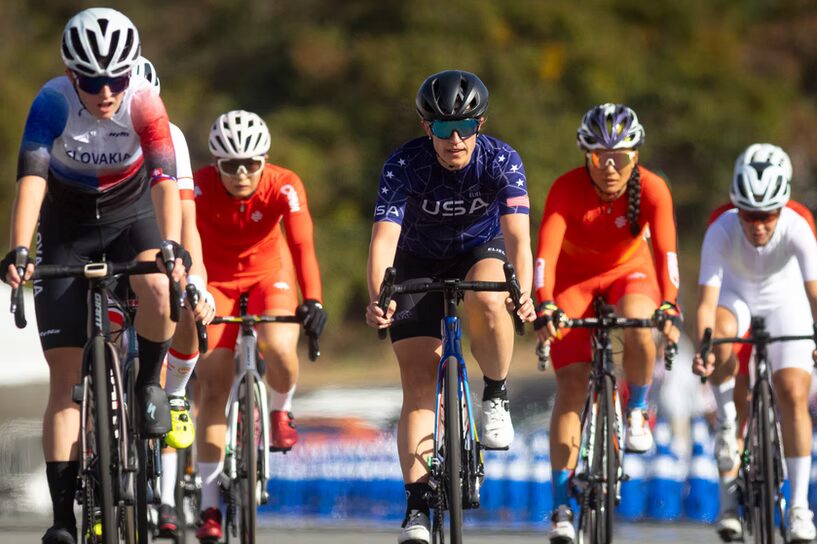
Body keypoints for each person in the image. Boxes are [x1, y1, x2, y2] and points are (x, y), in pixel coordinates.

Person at [2, 9, 188, 544]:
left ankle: (149, 381)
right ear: (70, 73)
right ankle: (62, 516)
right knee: (64, 383)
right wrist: (18, 247)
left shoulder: (145, 102)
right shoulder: (52, 101)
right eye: (91, 80)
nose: (105, 92)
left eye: (116, 79)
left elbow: (164, 179)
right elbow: (31, 180)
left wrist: (170, 247)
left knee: (156, 286)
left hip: (133, 216)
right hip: (68, 225)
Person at [365, 69, 536, 544]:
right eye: (442, 128)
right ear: (427, 128)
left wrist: (524, 289)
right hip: (415, 258)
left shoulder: (502, 160)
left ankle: (496, 393)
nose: (454, 138)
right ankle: (417, 507)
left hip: (480, 250)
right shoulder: (404, 165)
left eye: (464, 126)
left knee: (489, 294)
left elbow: (519, 236)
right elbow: (383, 242)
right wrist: (378, 295)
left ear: (480, 124)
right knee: (419, 383)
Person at [533, 103, 681, 543]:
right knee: (572, 386)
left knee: (638, 321)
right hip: (573, 282)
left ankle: (636, 410)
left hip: (627, 273)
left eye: (620, 157)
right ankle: (561, 504)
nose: (610, 167)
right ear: (586, 156)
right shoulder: (565, 188)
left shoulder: (654, 189)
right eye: (600, 157)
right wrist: (544, 305)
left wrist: (670, 304)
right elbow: (544, 257)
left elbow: (668, 256)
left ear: (635, 156)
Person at [192, 110, 327, 540]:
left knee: (280, 346)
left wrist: (314, 300)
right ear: (216, 163)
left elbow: (303, 243)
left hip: (272, 274)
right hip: (216, 281)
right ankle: (210, 506)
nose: (242, 173)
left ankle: (280, 408)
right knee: (213, 387)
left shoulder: (284, 183)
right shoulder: (197, 187)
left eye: (252, 163)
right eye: (231, 165)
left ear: (265, 161)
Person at [692, 143, 817, 542]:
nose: (758, 225)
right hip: (736, 297)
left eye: (767, 216)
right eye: (748, 215)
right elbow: (706, 304)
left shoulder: (798, 225)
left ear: (782, 208)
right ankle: (729, 420)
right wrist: (704, 348)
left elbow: (814, 294)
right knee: (721, 340)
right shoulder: (721, 229)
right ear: (736, 208)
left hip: (787, 301)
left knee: (793, 392)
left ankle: (798, 507)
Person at [130, 55, 217, 538]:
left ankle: (175, 394)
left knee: (180, 298)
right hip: (107, 240)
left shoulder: (171, 137)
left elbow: (186, 220)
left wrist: (195, 276)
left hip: (157, 243)